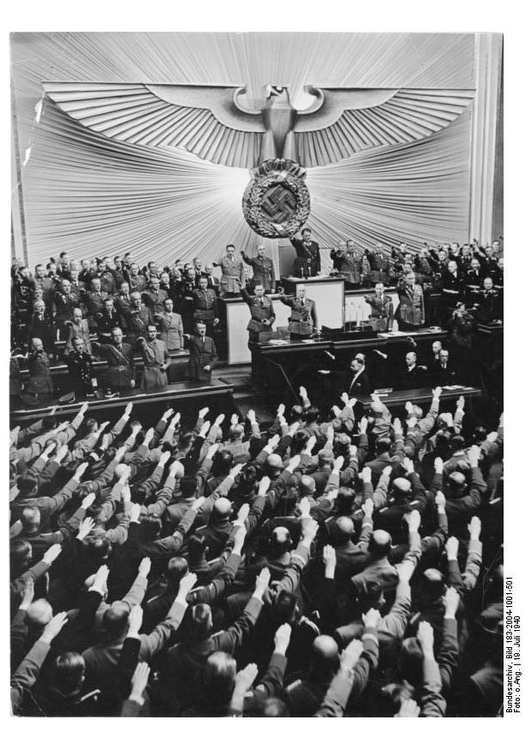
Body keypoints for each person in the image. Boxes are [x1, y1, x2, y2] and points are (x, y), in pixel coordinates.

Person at [93, 327, 136, 393]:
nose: (118, 337)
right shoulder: (107, 347)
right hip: (113, 379)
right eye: (115, 336)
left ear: (122, 336)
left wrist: (133, 378)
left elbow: (132, 364)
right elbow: (95, 344)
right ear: (111, 337)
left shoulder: (128, 347)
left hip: (126, 377)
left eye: (119, 335)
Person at [137, 325, 171, 389]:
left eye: (154, 331)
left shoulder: (162, 343)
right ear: (146, 332)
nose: (153, 333)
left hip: (161, 372)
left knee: (163, 392)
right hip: (149, 372)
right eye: (150, 331)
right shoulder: (143, 344)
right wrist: (141, 340)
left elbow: (168, 357)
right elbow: (137, 344)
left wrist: (166, 366)